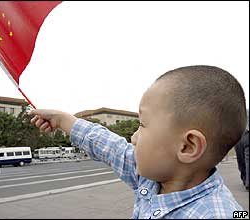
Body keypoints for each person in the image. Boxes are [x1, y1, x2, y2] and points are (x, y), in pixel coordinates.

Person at [29, 65, 247, 219]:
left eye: (142, 124)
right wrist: (64, 120)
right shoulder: (154, 177)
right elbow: (110, 146)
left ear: (187, 146)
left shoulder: (222, 214)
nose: (132, 138)